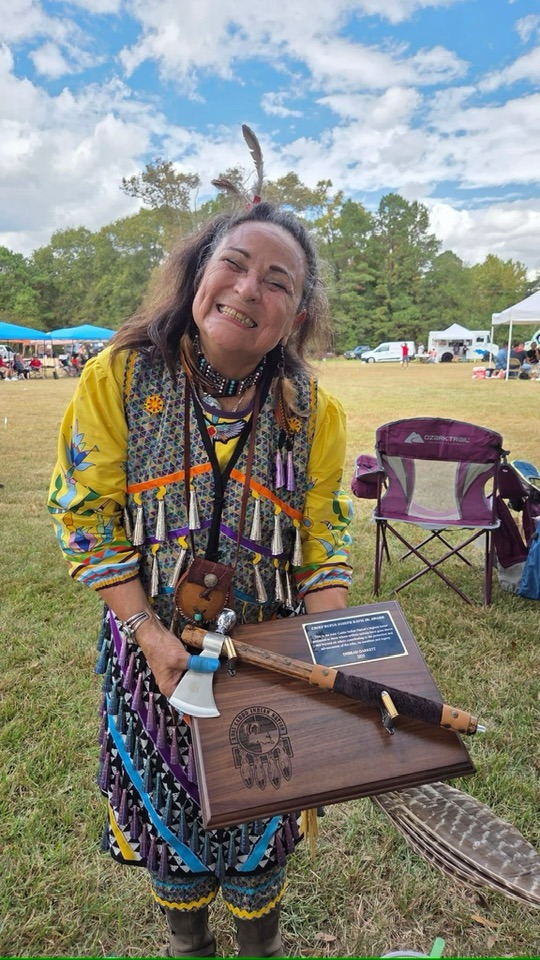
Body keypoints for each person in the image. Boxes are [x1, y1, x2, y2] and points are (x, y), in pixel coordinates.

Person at [47, 141, 353, 958]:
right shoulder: (121, 377)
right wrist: (148, 634)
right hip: (150, 654)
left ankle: (257, 947)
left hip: (266, 665)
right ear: (198, 273)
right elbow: (83, 517)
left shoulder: (310, 410)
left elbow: (324, 547)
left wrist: (334, 651)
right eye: (236, 264)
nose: (250, 289)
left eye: (279, 282)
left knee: (259, 845)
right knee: (171, 837)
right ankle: (188, 945)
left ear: (298, 313)